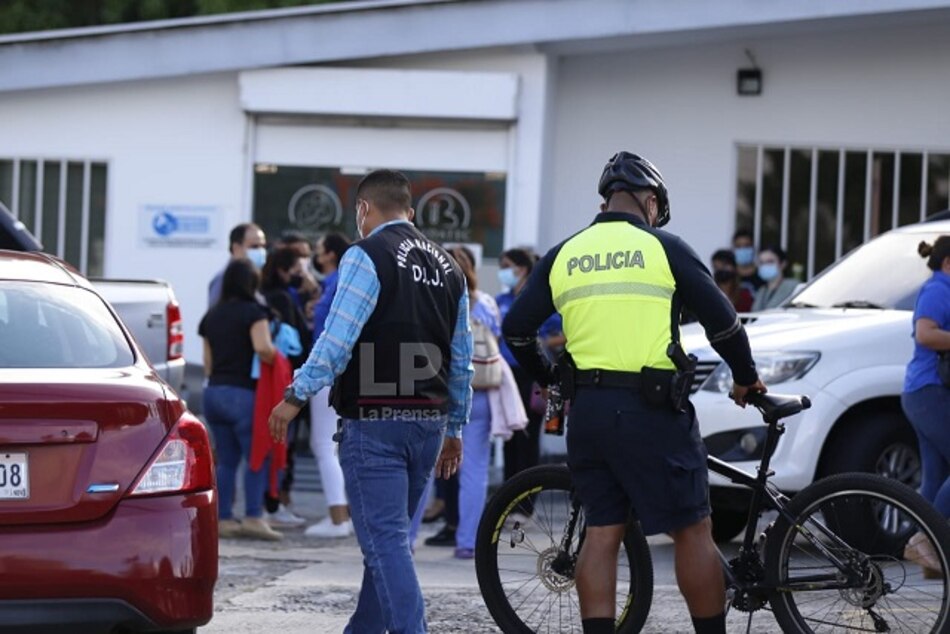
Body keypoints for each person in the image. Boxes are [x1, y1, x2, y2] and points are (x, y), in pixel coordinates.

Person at [502, 151, 765, 634]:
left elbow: (516, 330)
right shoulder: (666, 247)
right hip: (653, 411)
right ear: (649, 201)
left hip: (591, 414)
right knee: (692, 531)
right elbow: (724, 324)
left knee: (602, 531)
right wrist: (746, 378)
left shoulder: (564, 254)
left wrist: (551, 376)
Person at [268, 169, 473, 633]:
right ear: (411, 211)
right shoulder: (449, 267)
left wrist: (296, 395)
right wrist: (456, 428)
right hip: (429, 423)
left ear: (363, 210)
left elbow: (337, 339)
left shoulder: (367, 254)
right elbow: (462, 359)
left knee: (385, 544)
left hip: (376, 420)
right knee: (389, 544)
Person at [200, 258, 283, 541]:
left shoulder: (211, 315)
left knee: (226, 459)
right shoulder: (254, 312)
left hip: (213, 393)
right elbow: (263, 348)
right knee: (257, 455)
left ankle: (223, 518)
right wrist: (277, 358)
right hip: (244, 395)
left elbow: (207, 363)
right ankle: (252, 516)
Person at [901, 237, 950, 578]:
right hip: (930, 391)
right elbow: (925, 334)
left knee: (934, 477)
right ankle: (925, 542)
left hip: (923, 393)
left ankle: (932, 557)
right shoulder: (938, 289)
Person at [259, 247, 315, 528]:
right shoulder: (281, 297)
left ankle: (274, 500)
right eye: (297, 269)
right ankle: (276, 500)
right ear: (284, 270)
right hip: (288, 379)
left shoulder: (266, 295)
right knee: (284, 443)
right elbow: (299, 338)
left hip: (273, 379)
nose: (300, 275)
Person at [305, 231, 355, 539]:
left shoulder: (336, 282)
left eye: (319, 249)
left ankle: (338, 518)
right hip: (336, 367)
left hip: (327, 367)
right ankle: (341, 515)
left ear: (330, 254)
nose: (315, 253)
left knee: (324, 444)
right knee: (332, 445)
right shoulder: (336, 281)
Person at [495, 248, 547, 484]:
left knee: (527, 439)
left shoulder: (537, 299)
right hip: (506, 375)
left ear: (522, 268)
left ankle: (526, 506)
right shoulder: (502, 300)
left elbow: (564, 332)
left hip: (530, 374)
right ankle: (508, 494)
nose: (503, 272)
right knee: (510, 438)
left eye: (507, 266)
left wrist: (542, 341)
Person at [208, 223, 267, 307]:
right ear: (236, 248)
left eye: (263, 246)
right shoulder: (223, 280)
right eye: (254, 246)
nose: (261, 251)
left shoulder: (255, 277)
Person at [751, 245, 798, 311]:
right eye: (762, 262)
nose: (765, 266)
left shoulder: (793, 286)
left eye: (770, 262)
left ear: (783, 264)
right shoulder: (761, 291)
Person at [711, 249, 753, 313]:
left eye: (724, 265)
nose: (721, 269)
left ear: (734, 267)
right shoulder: (711, 294)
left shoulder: (745, 295)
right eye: (716, 267)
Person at [732, 228, 762, 292]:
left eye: (746, 246)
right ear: (733, 249)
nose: (742, 250)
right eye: (738, 246)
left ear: (753, 248)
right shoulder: (729, 276)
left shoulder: (762, 276)